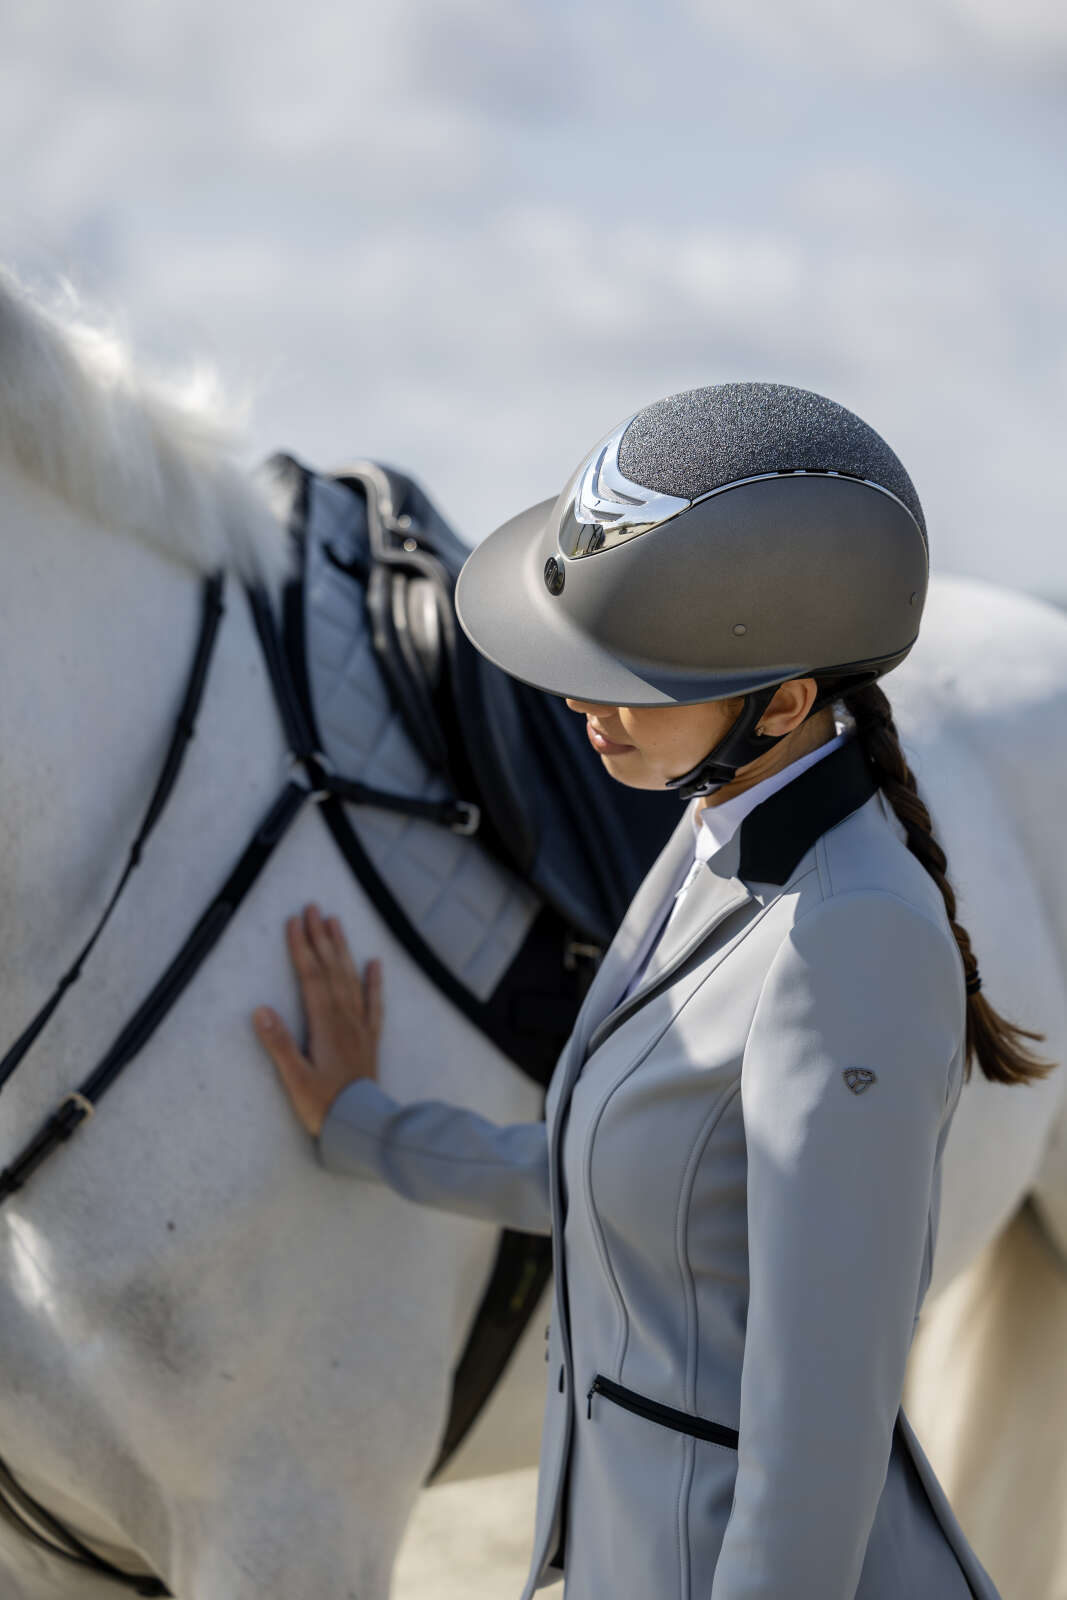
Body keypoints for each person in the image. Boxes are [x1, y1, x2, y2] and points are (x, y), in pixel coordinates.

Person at [252, 383, 1049, 1599]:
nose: (580, 701)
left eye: (633, 675)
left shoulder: (851, 946)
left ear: (783, 704)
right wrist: (367, 1126)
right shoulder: (706, 837)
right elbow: (619, 1180)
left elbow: (818, 1425)